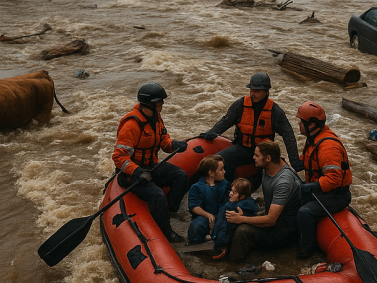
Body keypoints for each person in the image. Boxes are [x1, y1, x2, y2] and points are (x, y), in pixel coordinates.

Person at [199, 72, 304, 191]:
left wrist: (294, 160)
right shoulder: (240, 105)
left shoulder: (275, 111)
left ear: (267, 92)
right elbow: (226, 121)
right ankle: (228, 190)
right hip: (243, 148)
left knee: (271, 176)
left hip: (264, 153)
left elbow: (288, 134)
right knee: (220, 159)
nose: (252, 93)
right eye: (251, 90)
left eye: (257, 91)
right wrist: (212, 132)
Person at [113, 82, 189, 243]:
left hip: (150, 166)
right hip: (131, 174)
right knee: (157, 195)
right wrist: (137, 171)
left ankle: (170, 211)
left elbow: (164, 141)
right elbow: (119, 157)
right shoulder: (131, 125)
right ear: (151, 103)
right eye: (160, 101)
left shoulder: (156, 118)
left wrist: (174, 144)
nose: (163, 104)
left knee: (181, 176)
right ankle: (166, 233)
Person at [224, 141, 301, 261]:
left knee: (242, 231)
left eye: (257, 155)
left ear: (268, 158)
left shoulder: (283, 182)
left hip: (283, 230)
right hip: (273, 219)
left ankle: (234, 264)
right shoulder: (267, 169)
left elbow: (271, 220)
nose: (253, 157)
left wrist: (241, 219)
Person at [295, 101, 353, 259]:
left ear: (311, 125)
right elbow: (308, 160)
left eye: (301, 121)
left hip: (336, 195)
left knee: (305, 212)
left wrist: (311, 187)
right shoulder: (313, 138)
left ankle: (306, 251)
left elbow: (334, 179)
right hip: (323, 190)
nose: (299, 124)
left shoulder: (328, 147)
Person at [210, 178, 258, 260]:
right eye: (231, 190)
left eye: (234, 192)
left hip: (225, 240)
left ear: (242, 196)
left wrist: (220, 243)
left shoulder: (232, 209)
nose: (230, 194)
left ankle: (224, 250)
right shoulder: (247, 205)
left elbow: (225, 227)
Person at [186, 155, 230, 245]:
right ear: (211, 173)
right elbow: (194, 206)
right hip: (204, 217)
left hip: (221, 215)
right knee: (196, 227)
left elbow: (228, 202)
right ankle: (202, 239)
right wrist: (208, 215)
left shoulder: (225, 184)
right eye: (221, 169)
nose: (224, 172)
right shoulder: (196, 187)